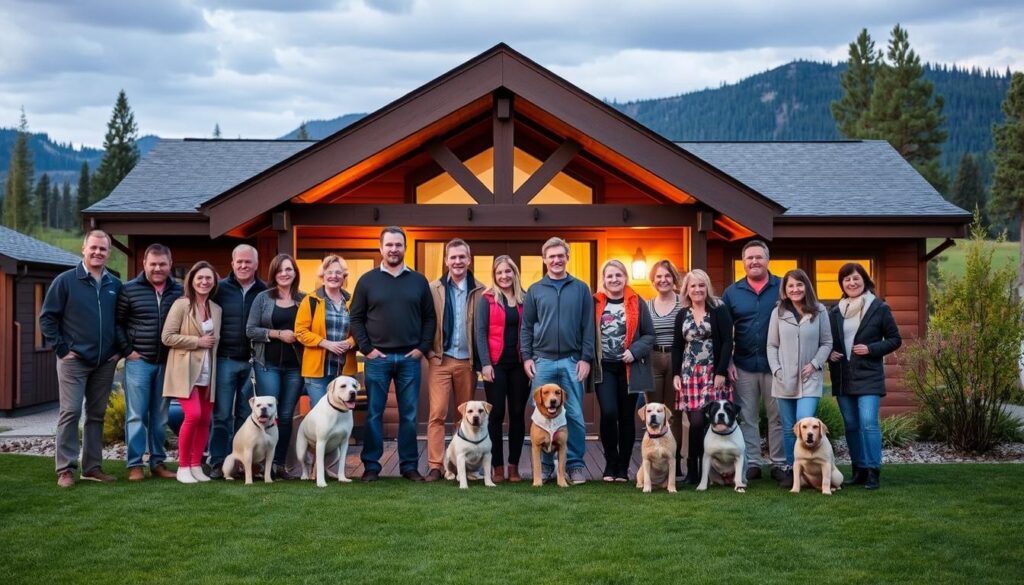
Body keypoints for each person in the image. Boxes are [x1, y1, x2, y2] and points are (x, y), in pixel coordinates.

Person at [350, 226, 436, 482]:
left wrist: (421, 348)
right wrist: (367, 349)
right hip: (378, 359)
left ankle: (409, 466)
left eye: (398, 245)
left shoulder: (418, 280)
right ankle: (372, 467)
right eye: (389, 245)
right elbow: (355, 317)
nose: (394, 249)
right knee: (375, 413)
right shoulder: (367, 280)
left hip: (410, 359)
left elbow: (429, 318)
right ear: (381, 247)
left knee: (409, 415)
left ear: (405, 248)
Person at [40, 230, 123, 488]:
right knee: (71, 411)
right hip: (73, 361)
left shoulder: (115, 284)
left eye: (103, 249)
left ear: (109, 253)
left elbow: (121, 321)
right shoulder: (65, 281)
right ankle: (65, 469)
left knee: (96, 414)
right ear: (83, 249)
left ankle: (92, 467)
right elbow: (47, 318)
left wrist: (117, 351)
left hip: (105, 362)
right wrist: (63, 349)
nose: (98, 252)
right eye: (94, 248)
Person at [520, 236, 595, 485]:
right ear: (544, 259)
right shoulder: (535, 290)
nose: (555, 260)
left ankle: (574, 466)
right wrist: (527, 357)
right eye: (551, 256)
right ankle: (545, 467)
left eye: (560, 255)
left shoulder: (581, 288)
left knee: (573, 414)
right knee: (540, 414)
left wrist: (585, 358)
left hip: (572, 361)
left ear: (567, 257)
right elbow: (527, 327)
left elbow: (588, 327)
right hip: (542, 361)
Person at [828, 262, 901, 490]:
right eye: (847, 279)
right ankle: (858, 470)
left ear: (865, 280)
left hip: (869, 376)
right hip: (843, 376)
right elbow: (826, 341)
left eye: (856, 278)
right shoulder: (835, 311)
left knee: (868, 423)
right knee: (851, 425)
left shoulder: (879, 308)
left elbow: (894, 340)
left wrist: (871, 349)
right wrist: (829, 353)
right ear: (842, 283)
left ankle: (873, 471)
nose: (851, 282)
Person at [116, 243, 183, 481]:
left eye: (162, 264)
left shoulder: (179, 291)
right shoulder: (129, 289)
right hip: (139, 363)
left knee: (160, 416)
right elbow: (118, 323)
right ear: (144, 264)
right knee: (136, 415)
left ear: (170, 264)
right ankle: (135, 464)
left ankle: (158, 463)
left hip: (166, 363)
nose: (157, 268)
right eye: (152, 264)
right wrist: (127, 351)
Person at [721, 239, 786, 483]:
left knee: (776, 416)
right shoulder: (732, 292)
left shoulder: (782, 287)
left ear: (768, 260)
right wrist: (727, 362)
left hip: (776, 366)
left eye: (759, 257)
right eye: (749, 258)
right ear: (743, 262)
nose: (754, 261)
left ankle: (779, 464)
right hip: (743, 365)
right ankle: (753, 463)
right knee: (748, 416)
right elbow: (725, 332)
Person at [425, 239, 485, 482]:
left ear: (469, 260)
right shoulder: (433, 288)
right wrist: (429, 352)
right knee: (437, 413)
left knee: (464, 416)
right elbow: (425, 321)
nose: (458, 261)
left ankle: (461, 464)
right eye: (453, 257)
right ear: (446, 260)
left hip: (467, 362)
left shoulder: (481, 290)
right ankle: (436, 465)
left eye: (462, 257)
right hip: (440, 359)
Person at [294, 254, 358, 478]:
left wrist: (350, 342)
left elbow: (360, 329)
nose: (333, 276)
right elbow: (300, 331)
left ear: (344, 276)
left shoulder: (352, 301)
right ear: (322, 276)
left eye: (338, 273)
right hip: (317, 371)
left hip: (344, 370)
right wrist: (326, 343)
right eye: (329, 272)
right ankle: (313, 469)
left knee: (341, 422)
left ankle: (329, 469)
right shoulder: (311, 300)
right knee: (320, 424)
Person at [767, 269, 832, 486]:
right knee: (789, 428)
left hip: (809, 379)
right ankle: (792, 470)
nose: (795, 289)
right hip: (784, 378)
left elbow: (827, 343)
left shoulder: (819, 310)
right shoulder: (778, 312)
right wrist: (776, 370)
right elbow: (772, 345)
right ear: (784, 290)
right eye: (790, 286)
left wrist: (815, 364)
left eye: (799, 285)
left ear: (806, 287)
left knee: (805, 422)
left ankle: (814, 468)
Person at [208, 244, 267, 479]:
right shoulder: (219, 288)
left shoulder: (264, 291)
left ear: (256, 264)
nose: (243, 266)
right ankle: (218, 461)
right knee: (222, 415)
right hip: (225, 360)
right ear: (232, 263)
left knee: (246, 416)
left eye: (248, 262)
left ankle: (245, 463)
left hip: (253, 362)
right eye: (239, 262)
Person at [594, 259, 655, 482]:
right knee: (609, 413)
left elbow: (649, 334)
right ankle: (610, 463)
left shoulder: (637, 302)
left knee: (626, 416)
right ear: (604, 280)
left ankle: (623, 466)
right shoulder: (596, 302)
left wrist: (635, 350)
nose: (614, 279)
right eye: (609, 276)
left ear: (625, 278)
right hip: (605, 368)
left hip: (630, 367)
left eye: (618, 275)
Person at [246, 253, 307, 479]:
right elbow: (250, 330)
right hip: (267, 365)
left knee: (285, 414)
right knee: (267, 414)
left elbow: (311, 331)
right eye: (280, 270)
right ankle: (264, 465)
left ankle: (280, 464)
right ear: (274, 274)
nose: (284, 273)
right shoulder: (263, 298)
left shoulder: (304, 299)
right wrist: (278, 334)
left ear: (295, 273)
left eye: (289, 269)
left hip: (295, 368)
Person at [161, 261, 222, 484]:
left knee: (205, 419)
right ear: (192, 281)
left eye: (208, 278)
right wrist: (198, 341)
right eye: (200, 278)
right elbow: (167, 337)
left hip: (209, 371)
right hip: (184, 370)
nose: (204, 282)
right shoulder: (181, 305)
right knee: (193, 415)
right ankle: (183, 466)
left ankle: (196, 465)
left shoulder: (216, 309)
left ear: (214, 281)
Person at [671, 269, 733, 485]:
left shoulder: (718, 310)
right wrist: (676, 374)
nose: (697, 290)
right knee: (695, 422)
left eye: (701, 285)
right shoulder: (682, 314)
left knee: (708, 421)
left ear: (707, 288)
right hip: (690, 376)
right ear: (686, 289)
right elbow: (677, 346)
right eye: (693, 286)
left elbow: (727, 341)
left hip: (713, 374)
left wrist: (721, 372)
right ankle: (693, 470)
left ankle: (715, 470)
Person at [474, 255, 530, 483]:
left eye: (508, 272)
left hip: (519, 365)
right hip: (495, 366)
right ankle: (497, 467)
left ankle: (513, 466)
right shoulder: (486, 299)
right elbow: (480, 333)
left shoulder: (526, 299)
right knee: (496, 415)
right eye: (499, 273)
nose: (504, 276)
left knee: (517, 414)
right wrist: (485, 364)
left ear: (515, 274)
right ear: (494, 276)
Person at [645, 259, 685, 477]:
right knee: (653, 411)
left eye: (667, 276)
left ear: (674, 279)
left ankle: (674, 463)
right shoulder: (647, 305)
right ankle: (653, 460)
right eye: (659, 276)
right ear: (653, 280)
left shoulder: (684, 303)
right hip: (653, 359)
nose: (663, 280)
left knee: (673, 414)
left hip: (677, 360)